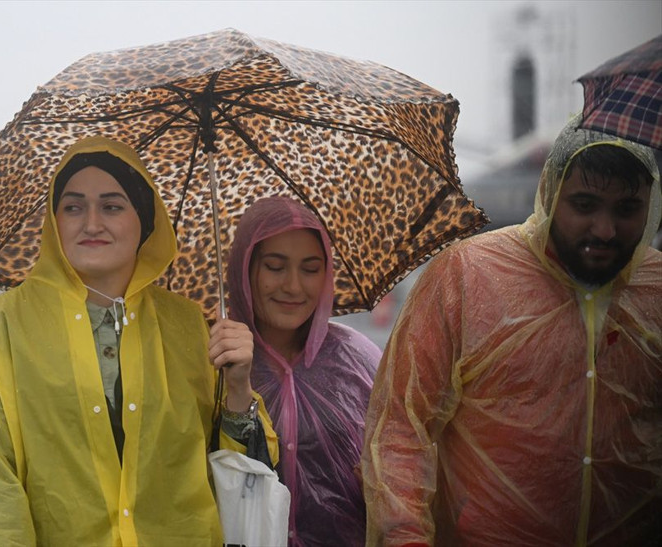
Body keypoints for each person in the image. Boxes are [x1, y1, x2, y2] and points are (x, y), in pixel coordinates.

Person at [0, 137, 278, 545]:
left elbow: (237, 471)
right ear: (54, 221)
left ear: (144, 219)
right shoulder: (2, 326)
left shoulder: (189, 324)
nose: (91, 223)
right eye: (73, 206)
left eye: (111, 206)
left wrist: (239, 387)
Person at [361, 115, 662, 546]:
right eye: (584, 204)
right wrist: (406, 537)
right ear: (549, 192)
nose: (605, 230)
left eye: (627, 209)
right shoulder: (468, 275)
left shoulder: (655, 291)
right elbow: (401, 427)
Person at [227, 196, 381, 546]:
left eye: (310, 269)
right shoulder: (208, 360)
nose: (294, 286)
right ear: (243, 269)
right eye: (275, 267)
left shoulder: (359, 361)